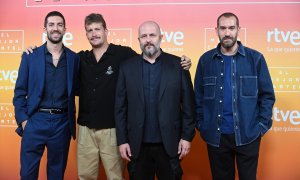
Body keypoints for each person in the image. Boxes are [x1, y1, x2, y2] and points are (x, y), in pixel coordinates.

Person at [25, 13, 192, 180]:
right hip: (85, 129)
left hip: (112, 130)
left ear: (106, 31)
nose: (94, 33)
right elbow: (57, 56)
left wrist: (181, 62)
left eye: (97, 29)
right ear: (86, 34)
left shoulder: (124, 55)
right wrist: (35, 52)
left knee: (115, 177)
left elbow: (150, 57)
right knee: (85, 176)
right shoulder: (79, 58)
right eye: (89, 30)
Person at [194, 12, 275, 180]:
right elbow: (198, 98)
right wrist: (202, 125)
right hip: (216, 137)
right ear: (216, 30)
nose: (227, 33)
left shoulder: (256, 59)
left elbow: (267, 96)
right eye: (223, 28)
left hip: (248, 135)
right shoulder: (205, 61)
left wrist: (260, 126)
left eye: (231, 28)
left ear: (239, 29)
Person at [115, 21, 195, 180]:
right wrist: (122, 140)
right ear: (138, 40)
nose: (148, 39)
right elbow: (120, 108)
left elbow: (188, 106)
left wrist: (186, 137)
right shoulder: (126, 68)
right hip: (137, 147)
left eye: (152, 35)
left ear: (161, 37)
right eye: (144, 36)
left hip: (170, 146)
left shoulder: (178, 65)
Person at [13, 11, 80, 180]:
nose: (55, 28)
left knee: (56, 175)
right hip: (35, 120)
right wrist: (24, 120)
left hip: (61, 124)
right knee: (27, 174)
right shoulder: (30, 56)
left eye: (59, 25)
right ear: (45, 29)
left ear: (65, 29)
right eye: (51, 25)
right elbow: (20, 92)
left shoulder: (74, 59)